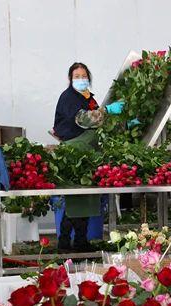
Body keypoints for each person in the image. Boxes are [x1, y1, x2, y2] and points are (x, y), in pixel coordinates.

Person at [52, 62, 125, 251]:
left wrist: (123, 122)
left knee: (85, 197)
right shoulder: (69, 97)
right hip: (74, 152)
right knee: (77, 198)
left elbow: (98, 119)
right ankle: (66, 242)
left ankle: (80, 241)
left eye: (84, 76)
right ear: (70, 79)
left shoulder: (87, 98)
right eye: (77, 76)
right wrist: (108, 110)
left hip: (86, 152)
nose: (81, 79)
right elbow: (84, 119)